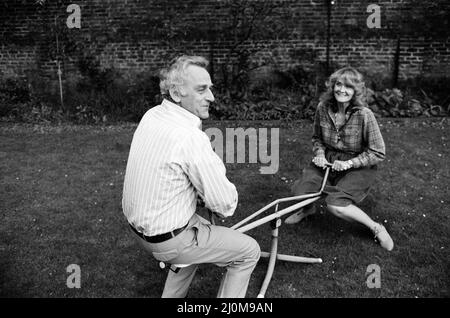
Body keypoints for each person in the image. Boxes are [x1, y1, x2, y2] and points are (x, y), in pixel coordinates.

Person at [122, 55, 260, 298]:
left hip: (140, 230)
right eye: (201, 89)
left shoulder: (152, 115)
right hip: (168, 241)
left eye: (210, 89)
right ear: (176, 94)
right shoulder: (190, 137)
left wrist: (195, 193)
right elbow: (225, 205)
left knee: (199, 235)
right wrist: (209, 196)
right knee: (249, 250)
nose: (212, 97)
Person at [285, 66, 394, 251]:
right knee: (299, 194)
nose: (341, 90)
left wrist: (349, 163)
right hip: (329, 160)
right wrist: (319, 154)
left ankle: (376, 228)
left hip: (357, 165)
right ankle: (307, 209)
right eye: (338, 84)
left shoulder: (364, 114)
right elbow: (317, 138)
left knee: (336, 205)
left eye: (348, 87)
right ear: (332, 86)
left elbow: (378, 152)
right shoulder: (323, 108)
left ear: (356, 91)